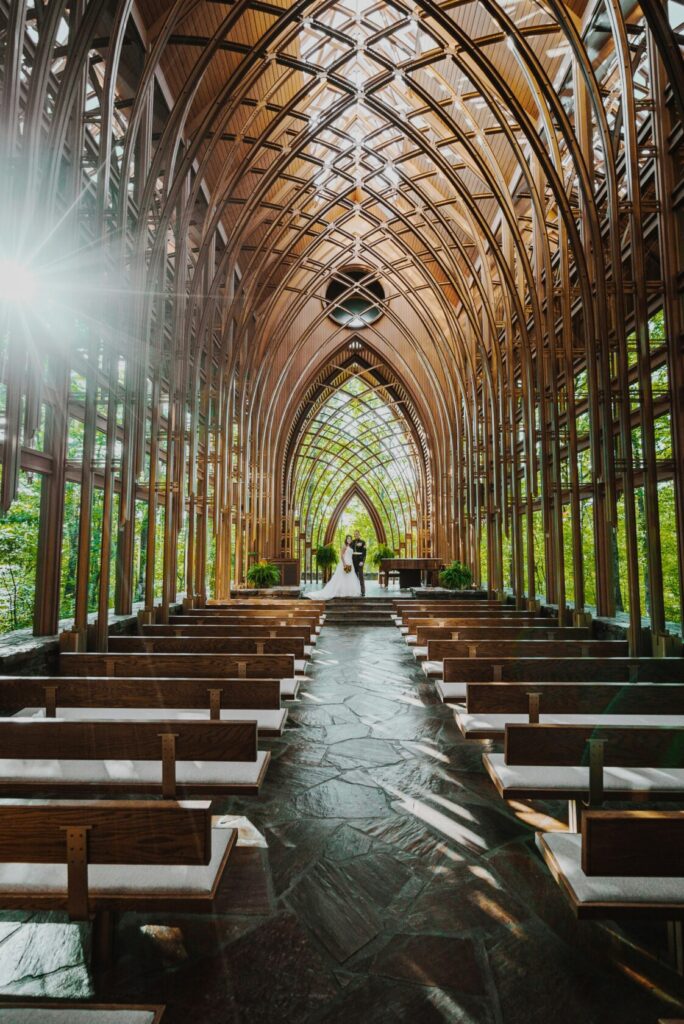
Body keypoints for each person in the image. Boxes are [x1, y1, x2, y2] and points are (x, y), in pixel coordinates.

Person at [305, 534, 361, 599]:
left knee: (349, 577)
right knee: (342, 577)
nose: (349, 540)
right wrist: (344, 564)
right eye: (348, 539)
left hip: (350, 563)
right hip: (345, 563)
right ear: (346, 539)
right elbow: (342, 555)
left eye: (350, 539)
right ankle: (340, 591)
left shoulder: (351, 547)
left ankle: (348, 591)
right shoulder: (344, 546)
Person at [351, 531, 366, 596]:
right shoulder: (352, 542)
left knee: (361, 576)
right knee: (354, 577)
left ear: (359, 534)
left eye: (357, 534)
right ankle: (356, 591)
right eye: (355, 534)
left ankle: (363, 591)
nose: (356, 535)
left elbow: (364, 553)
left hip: (360, 561)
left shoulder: (363, 542)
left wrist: (362, 561)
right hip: (353, 561)